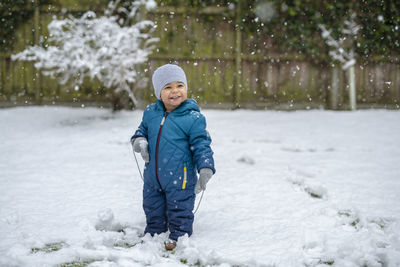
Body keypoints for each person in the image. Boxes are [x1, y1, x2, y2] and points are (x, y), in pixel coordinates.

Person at [130, 62, 216, 250]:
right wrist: (139, 141)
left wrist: (206, 166)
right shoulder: (151, 113)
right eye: (167, 87)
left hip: (181, 177)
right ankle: (154, 232)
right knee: (152, 206)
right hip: (153, 177)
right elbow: (141, 131)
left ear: (186, 88)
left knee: (180, 208)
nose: (174, 91)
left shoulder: (193, 118)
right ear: (158, 92)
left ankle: (179, 235)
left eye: (179, 86)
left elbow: (202, 144)